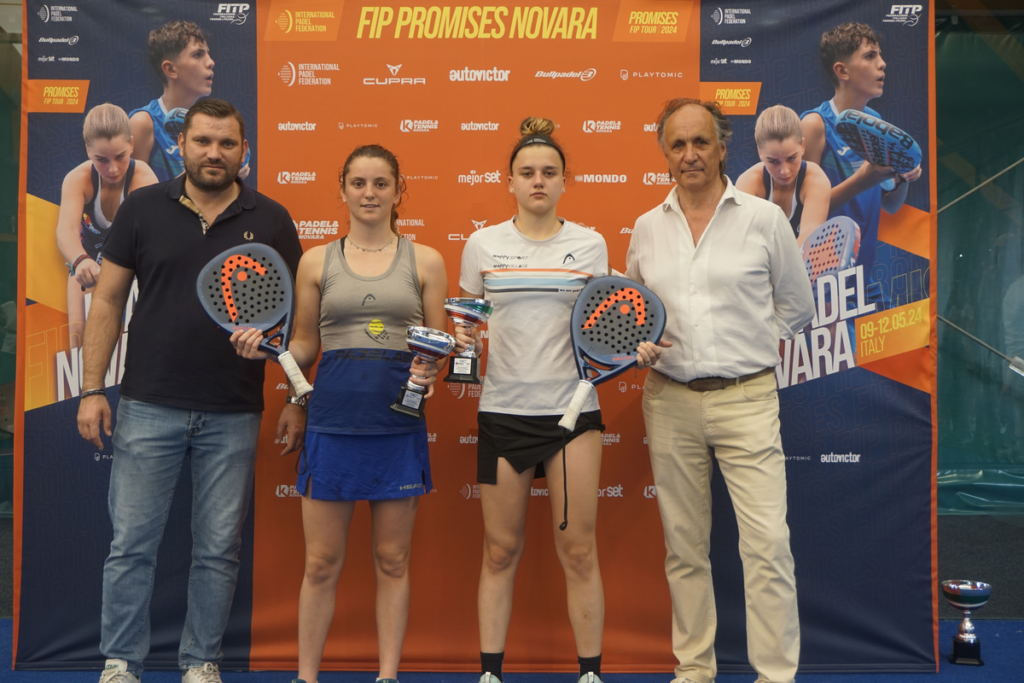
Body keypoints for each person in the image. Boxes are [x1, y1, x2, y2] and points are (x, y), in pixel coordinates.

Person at [76, 98, 303, 683]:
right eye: (203, 141)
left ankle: (201, 663)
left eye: (227, 143)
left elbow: (293, 321)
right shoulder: (143, 207)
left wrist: (283, 373)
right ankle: (121, 663)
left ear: (243, 150)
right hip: (148, 403)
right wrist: (92, 387)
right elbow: (107, 300)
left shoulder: (273, 219)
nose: (213, 153)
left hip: (233, 410)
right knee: (131, 544)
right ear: (183, 145)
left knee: (218, 548)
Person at [231, 145, 449, 683]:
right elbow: (305, 345)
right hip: (331, 425)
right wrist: (270, 354)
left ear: (398, 191)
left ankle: (387, 676)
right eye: (358, 183)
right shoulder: (315, 261)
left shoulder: (426, 261)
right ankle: (306, 677)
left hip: (397, 426)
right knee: (320, 564)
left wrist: (432, 368)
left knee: (393, 561)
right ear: (343, 190)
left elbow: (439, 346)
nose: (369, 194)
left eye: (380, 184)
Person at [455, 117, 660, 683]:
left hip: (574, 415)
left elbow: (610, 319)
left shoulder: (589, 244)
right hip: (502, 414)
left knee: (578, 550)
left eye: (549, 172)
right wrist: (463, 340)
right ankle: (490, 674)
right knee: (500, 551)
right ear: (510, 182)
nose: (538, 181)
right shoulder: (482, 245)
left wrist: (638, 345)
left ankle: (590, 673)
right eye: (527, 173)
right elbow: (467, 323)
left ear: (565, 181)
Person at [625, 98, 814, 683]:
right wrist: (641, 344)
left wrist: (747, 345)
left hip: (747, 399)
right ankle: (694, 670)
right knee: (684, 548)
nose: (690, 155)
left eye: (700, 142)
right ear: (665, 153)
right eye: (678, 144)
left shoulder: (764, 219)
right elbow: (635, 312)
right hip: (669, 402)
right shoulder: (647, 228)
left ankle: (775, 676)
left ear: (723, 147)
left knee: (767, 546)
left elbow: (797, 307)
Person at [800, 22, 922, 300]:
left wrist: (902, 178)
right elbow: (800, 214)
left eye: (879, 55)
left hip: (863, 281)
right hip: (821, 285)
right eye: (870, 56)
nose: (883, 63)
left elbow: (890, 204)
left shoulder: (876, 123)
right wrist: (863, 180)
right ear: (842, 71)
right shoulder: (814, 125)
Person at [55, 103, 158, 349]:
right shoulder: (77, 179)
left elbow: (153, 239)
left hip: (130, 264)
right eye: (101, 160)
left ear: (131, 145)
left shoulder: (143, 178)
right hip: (89, 261)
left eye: (120, 156)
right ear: (88, 151)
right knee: (79, 338)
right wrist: (80, 261)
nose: (112, 169)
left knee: (129, 340)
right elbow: (66, 231)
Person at [129, 21, 215, 182]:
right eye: (198, 55)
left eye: (208, 54)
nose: (211, 62)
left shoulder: (210, 124)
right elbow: (135, 194)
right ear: (170, 69)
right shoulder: (143, 123)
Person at [735, 104, 830, 247]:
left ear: (803, 146)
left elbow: (808, 243)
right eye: (773, 161)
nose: (785, 171)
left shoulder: (816, 180)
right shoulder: (748, 183)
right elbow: (746, 245)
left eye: (791, 158)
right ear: (760, 153)